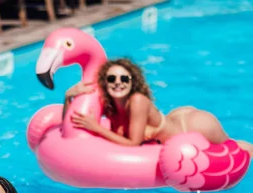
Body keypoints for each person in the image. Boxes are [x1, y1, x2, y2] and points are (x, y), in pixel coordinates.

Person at [67, 58, 253, 156]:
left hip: (194, 126)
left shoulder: (138, 101)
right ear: (104, 82)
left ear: (133, 82)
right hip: (173, 121)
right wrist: (68, 96)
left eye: (124, 79)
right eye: (111, 79)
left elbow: (134, 143)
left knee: (235, 149)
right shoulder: (110, 106)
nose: (118, 83)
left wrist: (96, 127)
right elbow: (69, 127)